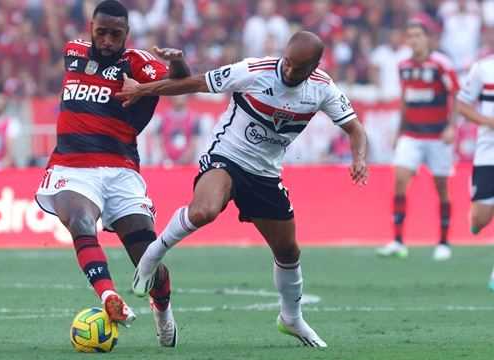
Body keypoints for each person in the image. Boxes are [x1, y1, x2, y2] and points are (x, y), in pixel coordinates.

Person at [119, 31, 368, 348]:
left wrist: (359, 158)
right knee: (204, 210)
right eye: (287, 62)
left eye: (298, 68)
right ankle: (152, 256)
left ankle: (291, 318)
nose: (289, 71)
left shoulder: (322, 88)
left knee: (288, 251)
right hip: (226, 156)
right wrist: (143, 89)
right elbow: (193, 84)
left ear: (315, 67)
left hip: (265, 173)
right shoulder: (254, 71)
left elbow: (355, 128)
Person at [34, 0, 189, 347]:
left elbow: (182, 83)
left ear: (126, 35)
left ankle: (162, 308)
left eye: (114, 34)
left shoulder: (137, 63)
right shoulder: (73, 50)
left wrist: (172, 66)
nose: (106, 40)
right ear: (91, 28)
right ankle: (107, 297)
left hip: (120, 170)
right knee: (80, 222)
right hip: (72, 166)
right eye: (100, 32)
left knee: (147, 257)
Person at [377, 20, 459, 261]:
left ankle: (444, 241)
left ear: (428, 39)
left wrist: (451, 127)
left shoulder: (442, 65)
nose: (413, 40)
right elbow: (405, 98)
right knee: (400, 180)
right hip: (411, 134)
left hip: (437, 136)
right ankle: (398, 240)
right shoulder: (403, 66)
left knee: (441, 187)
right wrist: (399, 131)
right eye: (410, 36)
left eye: (417, 35)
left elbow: (455, 95)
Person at [455, 53, 494, 291]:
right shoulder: (483, 68)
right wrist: (487, 121)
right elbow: (462, 104)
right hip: (488, 151)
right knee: (480, 220)